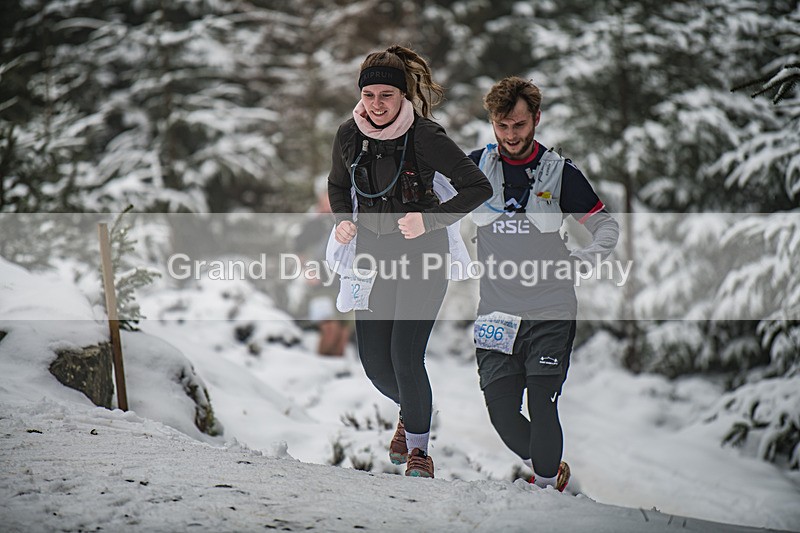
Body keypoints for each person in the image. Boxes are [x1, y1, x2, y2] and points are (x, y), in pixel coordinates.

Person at [327, 45, 492, 478]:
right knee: (374, 363)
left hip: (422, 256)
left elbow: (478, 188)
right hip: (371, 258)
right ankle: (411, 409)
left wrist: (430, 220)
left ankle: (419, 451)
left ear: (403, 95)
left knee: (404, 354)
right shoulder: (349, 134)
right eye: (369, 95)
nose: (377, 105)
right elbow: (337, 184)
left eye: (386, 95)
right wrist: (345, 221)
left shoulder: (425, 136)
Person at [468, 76, 619, 491]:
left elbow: (605, 227)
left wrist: (584, 260)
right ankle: (550, 468)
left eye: (519, 125)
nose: (511, 135)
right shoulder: (475, 167)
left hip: (550, 309)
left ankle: (547, 491)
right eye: (502, 126)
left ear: (536, 118)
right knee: (501, 414)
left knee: (541, 402)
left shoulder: (560, 173)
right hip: (495, 312)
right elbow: (428, 205)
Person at [293, 179, 352, 356]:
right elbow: (298, 250)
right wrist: (307, 271)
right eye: (326, 196)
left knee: (343, 333)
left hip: (343, 284)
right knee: (330, 329)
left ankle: (335, 375)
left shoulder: (347, 220)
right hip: (320, 287)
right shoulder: (313, 224)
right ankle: (321, 366)